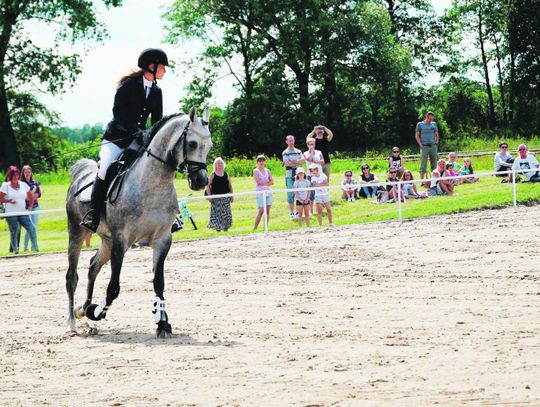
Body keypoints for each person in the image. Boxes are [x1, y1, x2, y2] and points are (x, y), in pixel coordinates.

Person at [80, 48, 169, 233]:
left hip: (138, 142)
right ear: (151, 67)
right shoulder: (128, 85)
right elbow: (118, 114)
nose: (165, 71)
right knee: (105, 168)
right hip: (116, 139)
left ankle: (167, 213)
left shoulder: (156, 92)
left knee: (154, 167)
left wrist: (154, 137)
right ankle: (94, 215)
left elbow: (157, 121)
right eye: (162, 67)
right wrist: (136, 131)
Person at [0, 166, 38, 253]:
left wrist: (29, 208)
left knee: (32, 228)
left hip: (22, 212)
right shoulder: (6, 186)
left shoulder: (23, 185)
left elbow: (31, 198)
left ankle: (35, 248)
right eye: (13, 175)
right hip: (11, 213)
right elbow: (0, 198)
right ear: (10, 176)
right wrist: (8, 201)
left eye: (17, 175)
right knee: (14, 230)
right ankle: (16, 250)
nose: (16, 177)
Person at [206, 157, 234, 232]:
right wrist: (209, 196)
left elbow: (230, 185)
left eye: (221, 163)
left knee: (226, 213)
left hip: (225, 196)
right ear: (215, 165)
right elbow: (207, 186)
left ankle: (226, 228)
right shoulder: (213, 174)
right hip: (216, 197)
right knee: (217, 213)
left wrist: (232, 195)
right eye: (218, 163)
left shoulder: (226, 174)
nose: (220, 164)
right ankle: (218, 229)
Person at [282, 135, 304, 220]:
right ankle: (291, 213)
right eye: (289, 141)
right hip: (289, 174)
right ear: (286, 142)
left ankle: (298, 212)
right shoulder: (285, 152)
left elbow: (302, 161)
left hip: (299, 174)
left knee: (299, 193)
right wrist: (297, 162)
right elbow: (287, 164)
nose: (291, 142)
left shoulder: (298, 151)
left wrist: (293, 162)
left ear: (294, 141)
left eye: (292, 140)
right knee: (290, 193)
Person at [21, 165, 41, 251]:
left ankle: (33, 246)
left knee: (34, 227)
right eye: (26, 172)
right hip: (26, 208)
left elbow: (39, 194)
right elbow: (24, 197)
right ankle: (25, 247)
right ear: (23, 173)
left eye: (29, 172)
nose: (27, 174)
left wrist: (32, 196)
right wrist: (32, 196)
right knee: (30, 227)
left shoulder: (35, 182)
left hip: (35, 206)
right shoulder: (21, 183)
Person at [415, 111, 440, 183]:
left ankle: (434, 180)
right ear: (426, 117)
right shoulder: (420, 124)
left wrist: (436, 142)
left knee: (434, 163)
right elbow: (417, 135)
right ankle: (422, 181)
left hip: (433, 146)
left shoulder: (434, 124)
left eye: (431, 119)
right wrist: (420, 144)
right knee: (423, 164)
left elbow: (436, 134)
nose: (430, 120)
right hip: (424, 146)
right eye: (429, 119)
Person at [304, 137, 324, 214]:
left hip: (319, 175)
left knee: (319, 192)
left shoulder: (319, 152)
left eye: (313, 144)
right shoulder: (305, 153)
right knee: (311, 193)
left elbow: (322, 161)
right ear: (307, 145)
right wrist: (311, 152)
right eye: (310, 144)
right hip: (310, 175)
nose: (312, 145)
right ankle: (311, 210)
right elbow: (308, 159)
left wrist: (316, 161)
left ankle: (319, 209)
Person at [253, 154, 274, 230]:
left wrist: (264, 183)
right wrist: (266, 182)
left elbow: (272, 182)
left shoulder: (267, 170)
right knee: (261, 210)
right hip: (260, 192)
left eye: (263, 160)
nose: (261, 162)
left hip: (268, 192)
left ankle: (266, 227)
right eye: (259, 161)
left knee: (268, 210)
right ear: (257, 162)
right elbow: (258, 182)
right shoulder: (255, 171)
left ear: (265, 162)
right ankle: (255, 228)